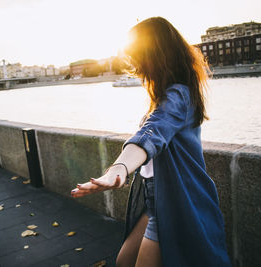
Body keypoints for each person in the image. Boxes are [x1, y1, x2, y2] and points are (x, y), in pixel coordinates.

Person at [71, 17, 231, 267]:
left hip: (176, 200)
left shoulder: (178, 95)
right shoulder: (170, 94)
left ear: (155, 56)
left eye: (138, 59)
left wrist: (118, 168)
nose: (136, 68)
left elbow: (151, 133)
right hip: (156, 201)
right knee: (125, 261)